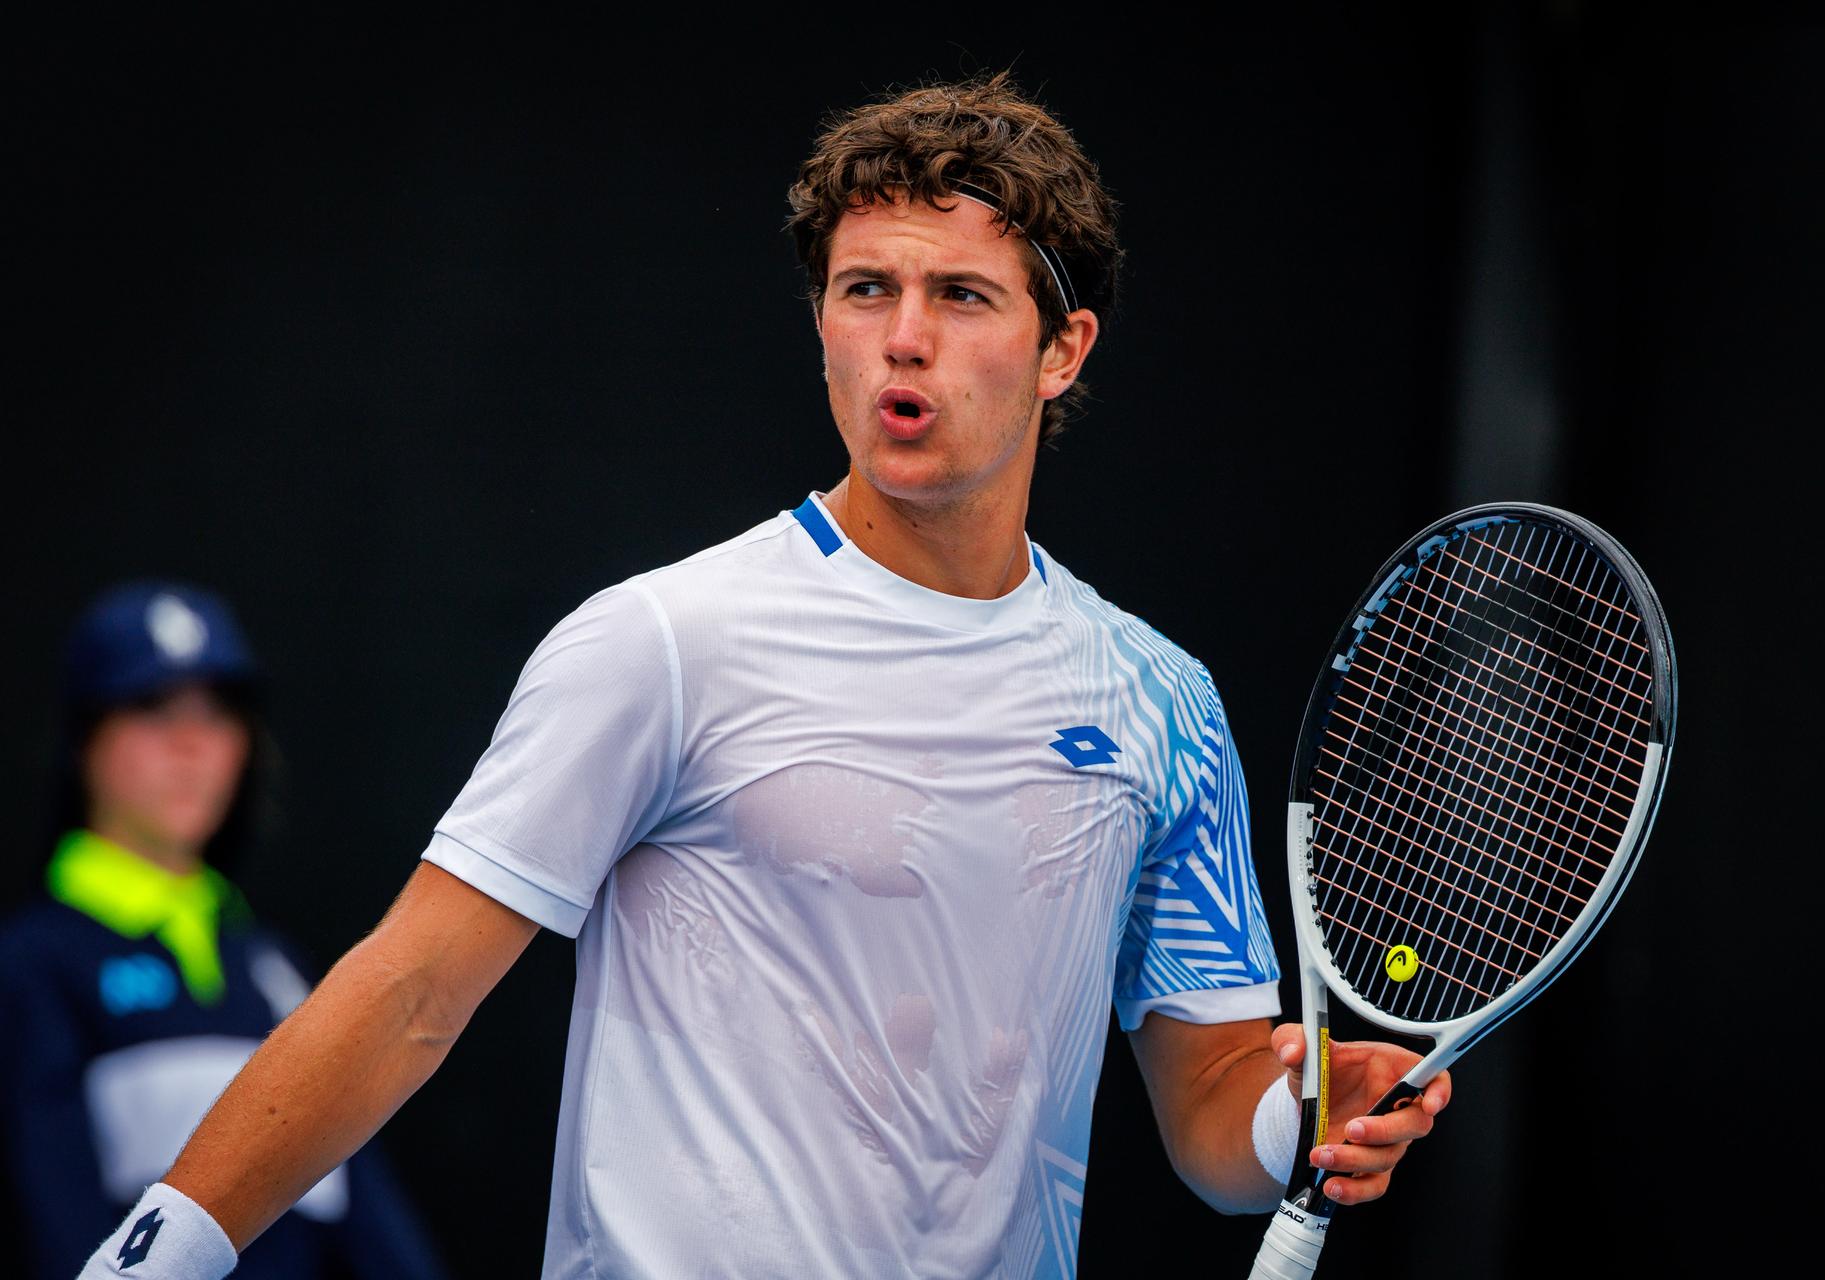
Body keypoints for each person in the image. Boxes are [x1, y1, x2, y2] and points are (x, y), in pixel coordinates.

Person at [79, 75, 1450, 1279]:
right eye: (866, 291)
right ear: (825, 324)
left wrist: (1301, 1119)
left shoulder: (1161, 702)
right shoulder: (663, 641)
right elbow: (409, 994)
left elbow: (1215, 1112)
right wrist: (155, 1258)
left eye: (961, 295)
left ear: (1062, 349)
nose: (902, 338)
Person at [0, 583, 446, 1279]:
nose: (191, 743)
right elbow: (50, 1221)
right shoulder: (31, 966)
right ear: (85, 739)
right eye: (152, 707)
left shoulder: (274, 963)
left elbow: (367, 1212)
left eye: (218, 712)